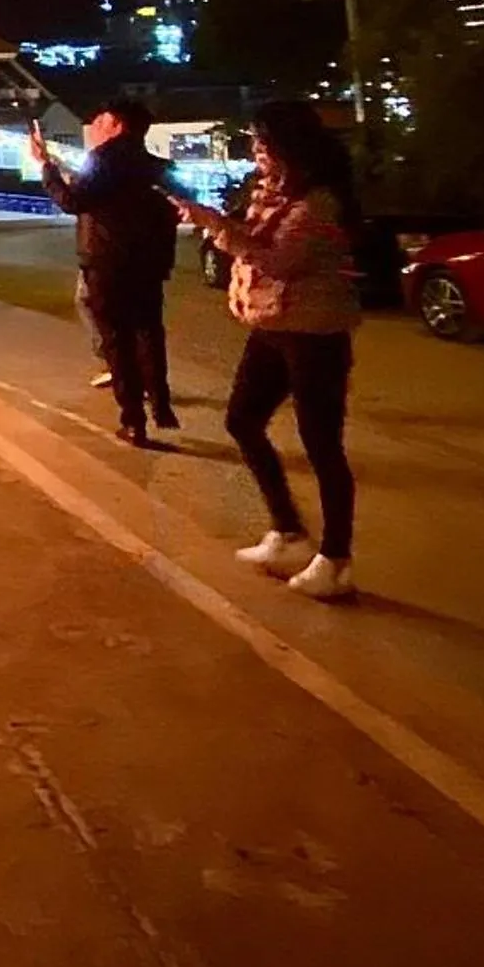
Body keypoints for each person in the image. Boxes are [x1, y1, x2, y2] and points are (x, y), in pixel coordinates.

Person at [173, 98, 362, 601]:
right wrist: (211, 219)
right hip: (273, 325)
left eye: (263, 142)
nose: (256, 150)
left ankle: (336, 560)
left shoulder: (318, 201)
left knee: (322, 445)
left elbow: (278, 260)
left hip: (315, 334)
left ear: (288, 146)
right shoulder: (272, 192)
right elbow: (253, 240)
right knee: (242, 419)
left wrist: (217, 227)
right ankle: (288, 531)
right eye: (254, 141)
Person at [34, 99, 179, 443]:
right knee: (148, 331)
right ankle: (160, 403)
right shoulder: (155, 165)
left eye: (100, 121)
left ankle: (133, 420)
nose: (94, 128)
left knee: (117, 340)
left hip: (107, 262)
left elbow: (73, 202)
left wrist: (46, 167)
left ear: (116, 125)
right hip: (149, 262)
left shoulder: (103, 159)